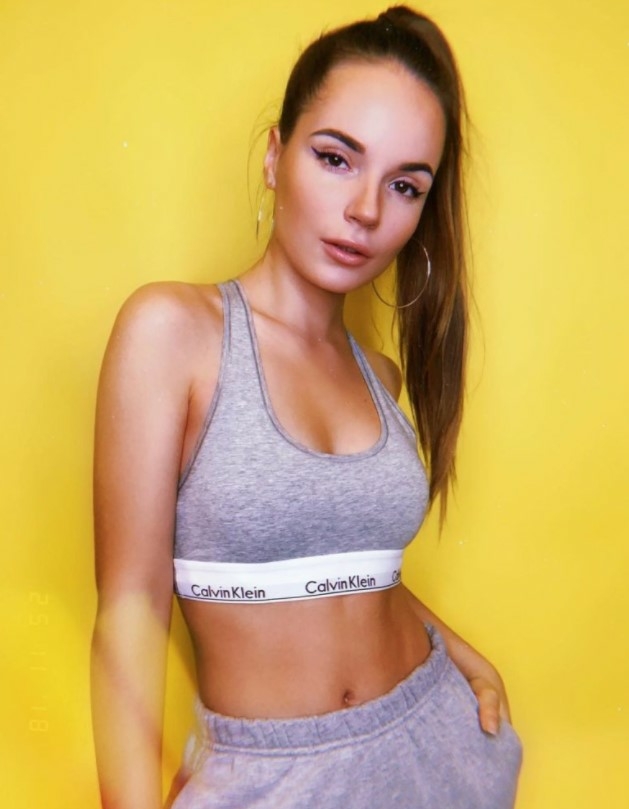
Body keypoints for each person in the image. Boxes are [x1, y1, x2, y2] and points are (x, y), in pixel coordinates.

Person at [90, 6, 522, 808]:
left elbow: (347, 566)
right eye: (335, 157)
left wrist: (464, 656)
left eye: (404, 185)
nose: (366, 210)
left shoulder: (380, 376)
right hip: (272, 776)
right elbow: (131, 607)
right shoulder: (173, 333)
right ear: (273, 155)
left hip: (436, 748)